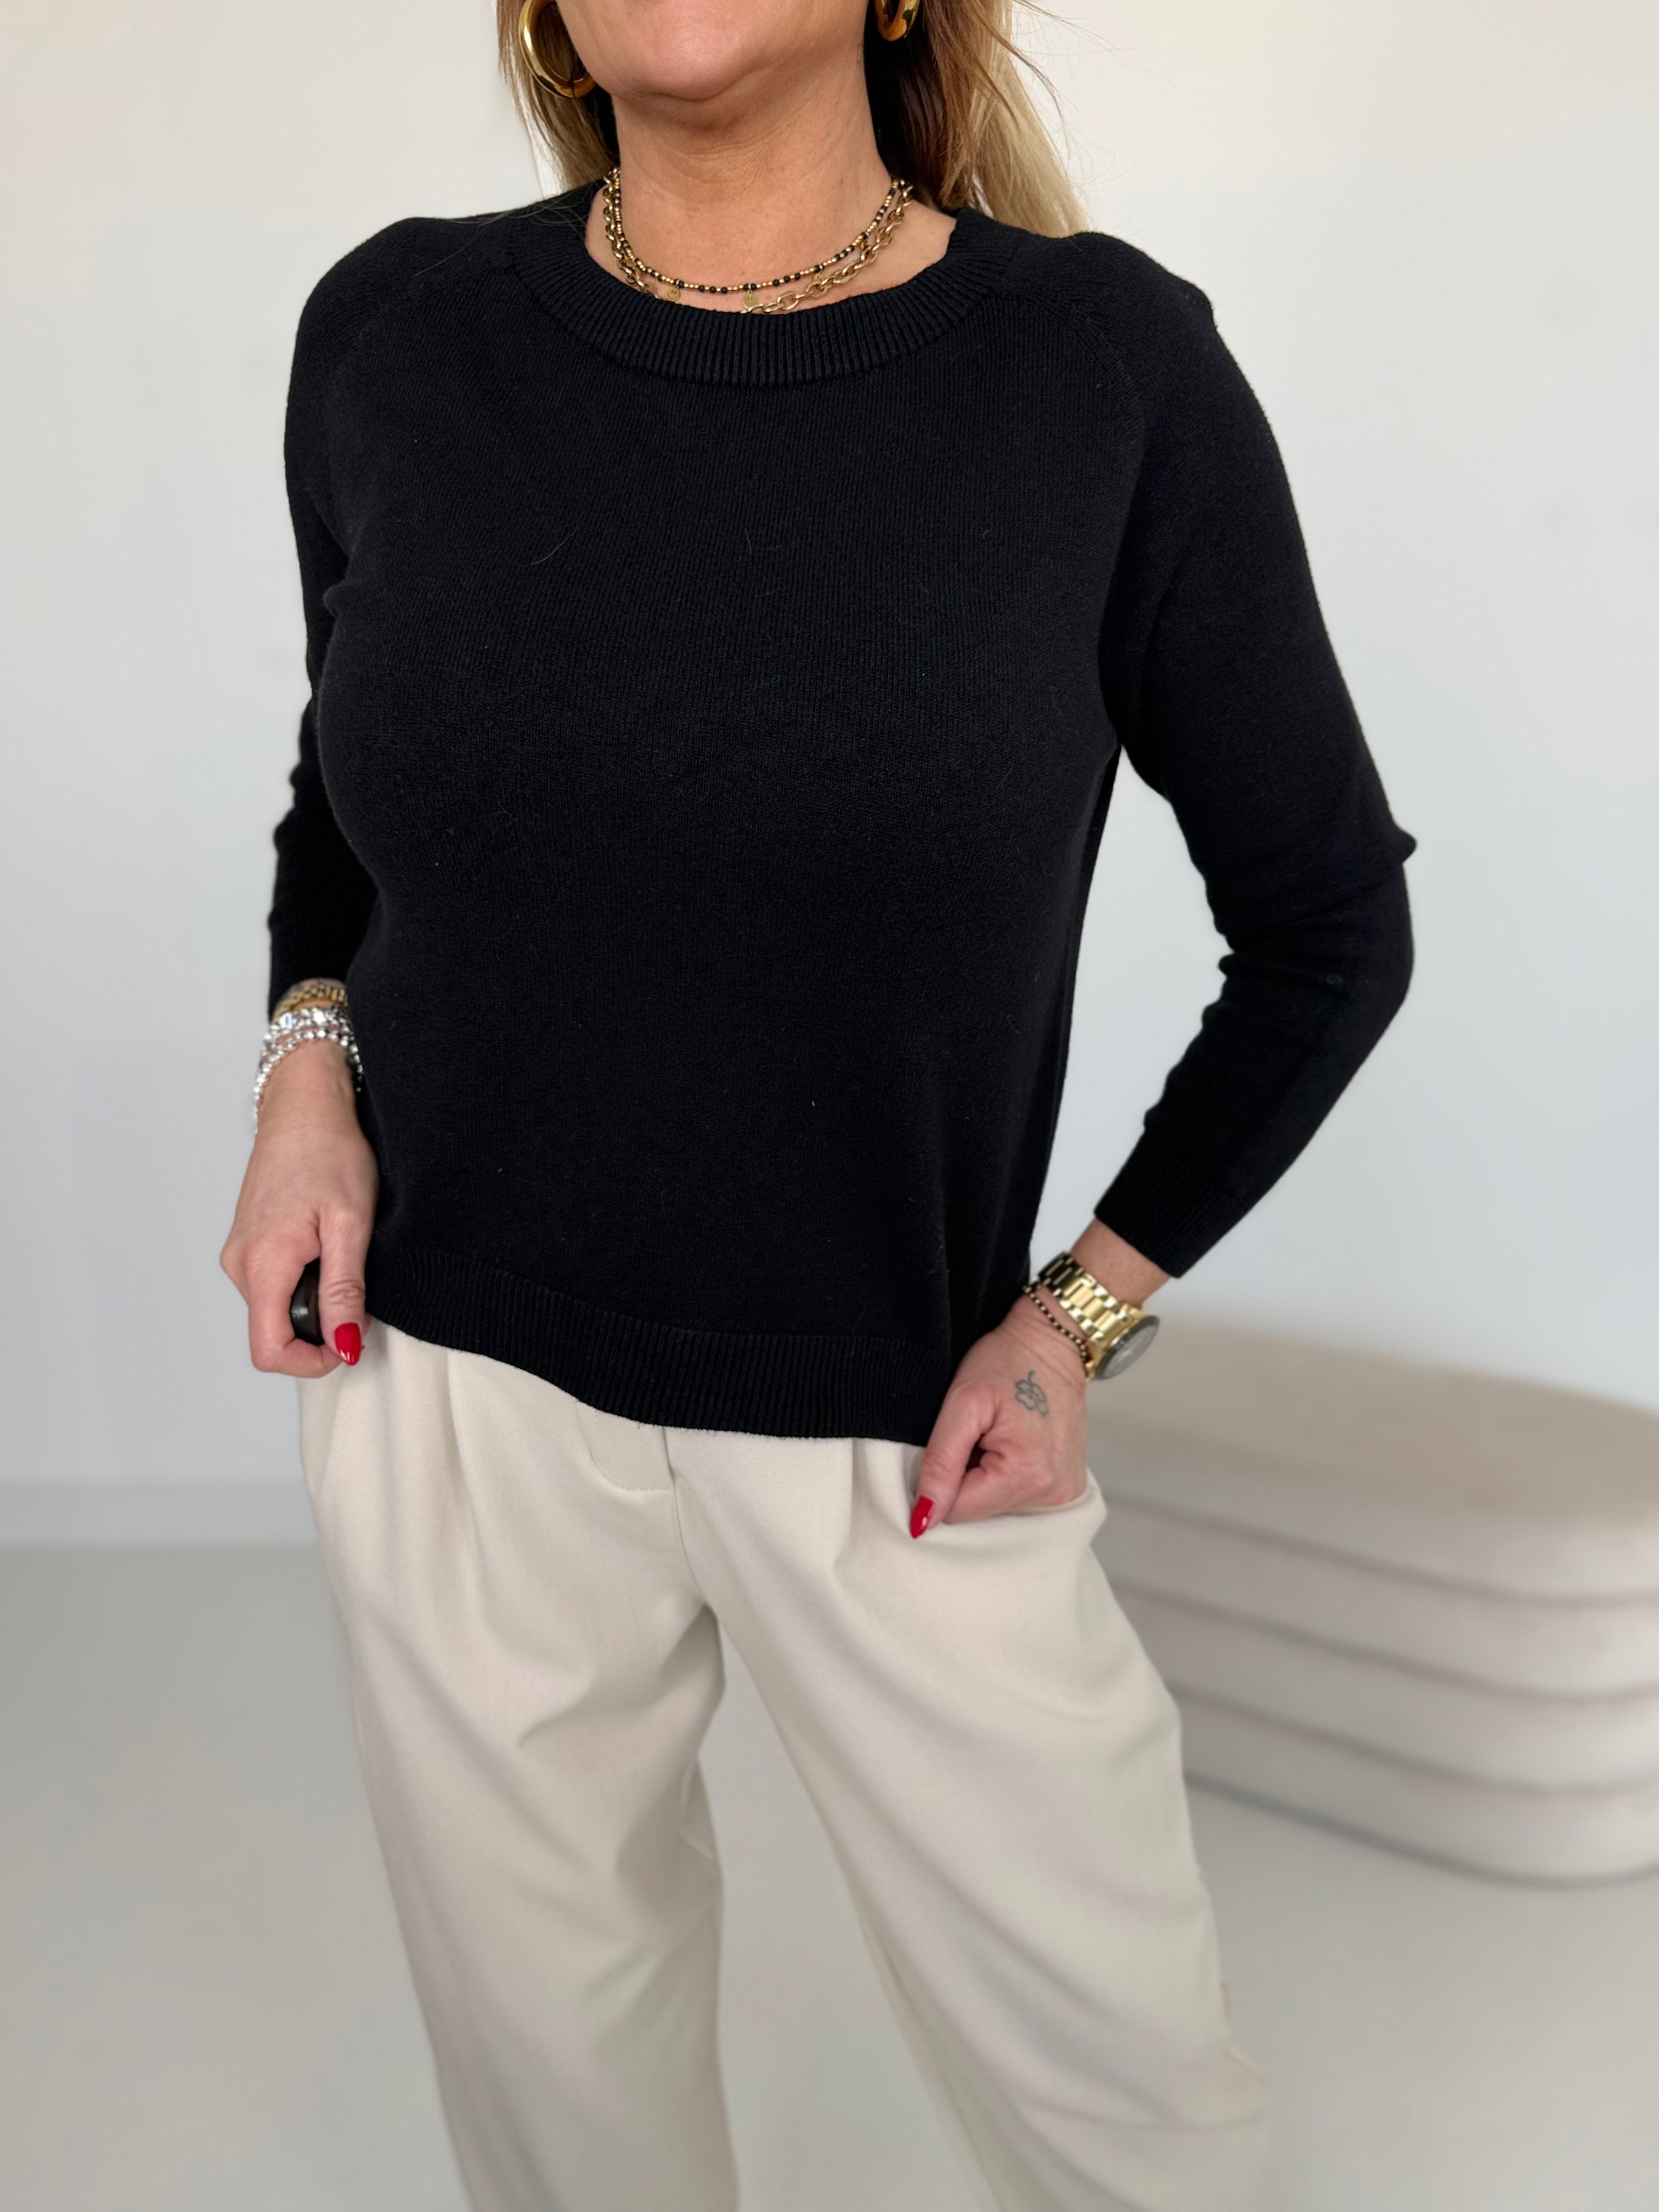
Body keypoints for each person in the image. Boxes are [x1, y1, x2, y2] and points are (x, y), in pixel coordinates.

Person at [221, 1, 1416, 2205]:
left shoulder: (1101, 375)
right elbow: (351, 795)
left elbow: (1331, 926)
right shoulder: (395, 332)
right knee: (564, 2129)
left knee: (1131, 2117)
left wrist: (1080, 1321)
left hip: (908, 1419)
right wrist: (309, 1069)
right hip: (446, 1386)